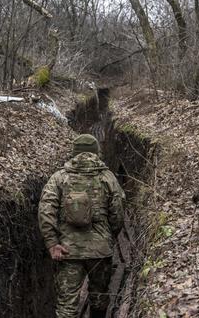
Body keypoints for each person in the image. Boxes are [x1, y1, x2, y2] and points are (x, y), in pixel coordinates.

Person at [39, 134, 125, 318]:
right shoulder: (107, 178)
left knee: (66, 305)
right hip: (100, 251)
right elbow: (118, 212)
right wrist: (110, 237)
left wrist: (52, 243)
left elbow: (45, 211)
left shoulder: (59, 178)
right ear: (96, 152)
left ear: (74, 153)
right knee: (99, 297)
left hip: (67, 251)